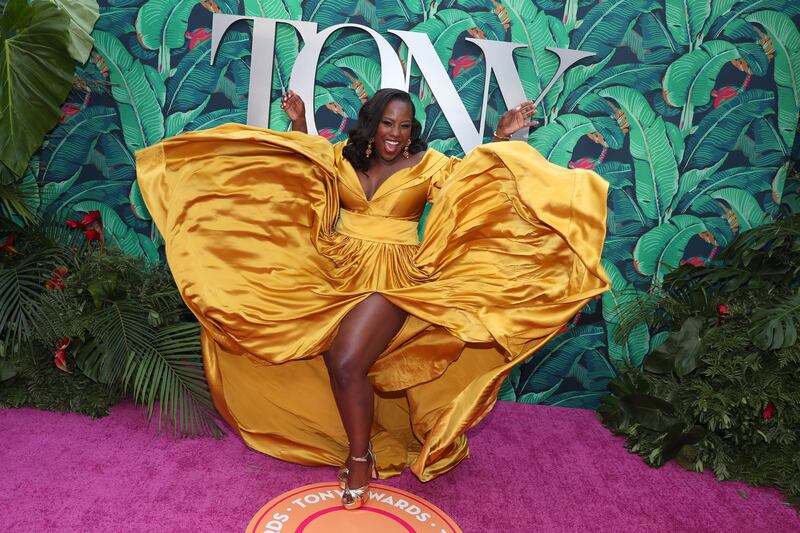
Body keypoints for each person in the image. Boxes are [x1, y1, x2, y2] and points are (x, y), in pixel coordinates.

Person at [135, 88, 609, 510]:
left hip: (394, 274)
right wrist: (299, 124)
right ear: (372, 122)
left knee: (346, 361)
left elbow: (475, 187)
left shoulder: (428, 164)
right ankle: (356, 437)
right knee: (299, 343)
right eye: (388, 123)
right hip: (337, 267)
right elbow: (309, 168)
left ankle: (359, 459)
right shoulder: (344, 156)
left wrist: (505, 137)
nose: (396, 135)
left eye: (405, 127)